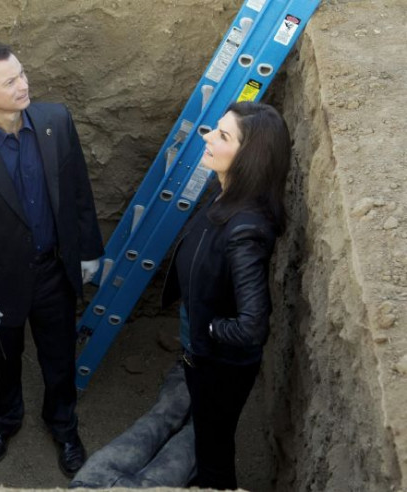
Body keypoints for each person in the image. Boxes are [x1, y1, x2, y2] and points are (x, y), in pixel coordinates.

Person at [0, 42, 104, 477]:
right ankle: (4, 421)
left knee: (59, 356)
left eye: (22, 74)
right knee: (4, 360)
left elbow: (78, 189)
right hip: (2, 282)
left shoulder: (56, 122)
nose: (23, 85)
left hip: (54, 271)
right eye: (9, 81)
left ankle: (64, 426)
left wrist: (88, 250)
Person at [160, 101, 292, 489]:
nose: (207, 137)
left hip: (219, 364)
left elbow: (253, 327)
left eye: (222, 135)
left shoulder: (245, 230)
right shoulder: (227, 193)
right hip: (204, 350)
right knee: (208, 434)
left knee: (213, 448)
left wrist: (207, 329)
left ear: (248, 156)